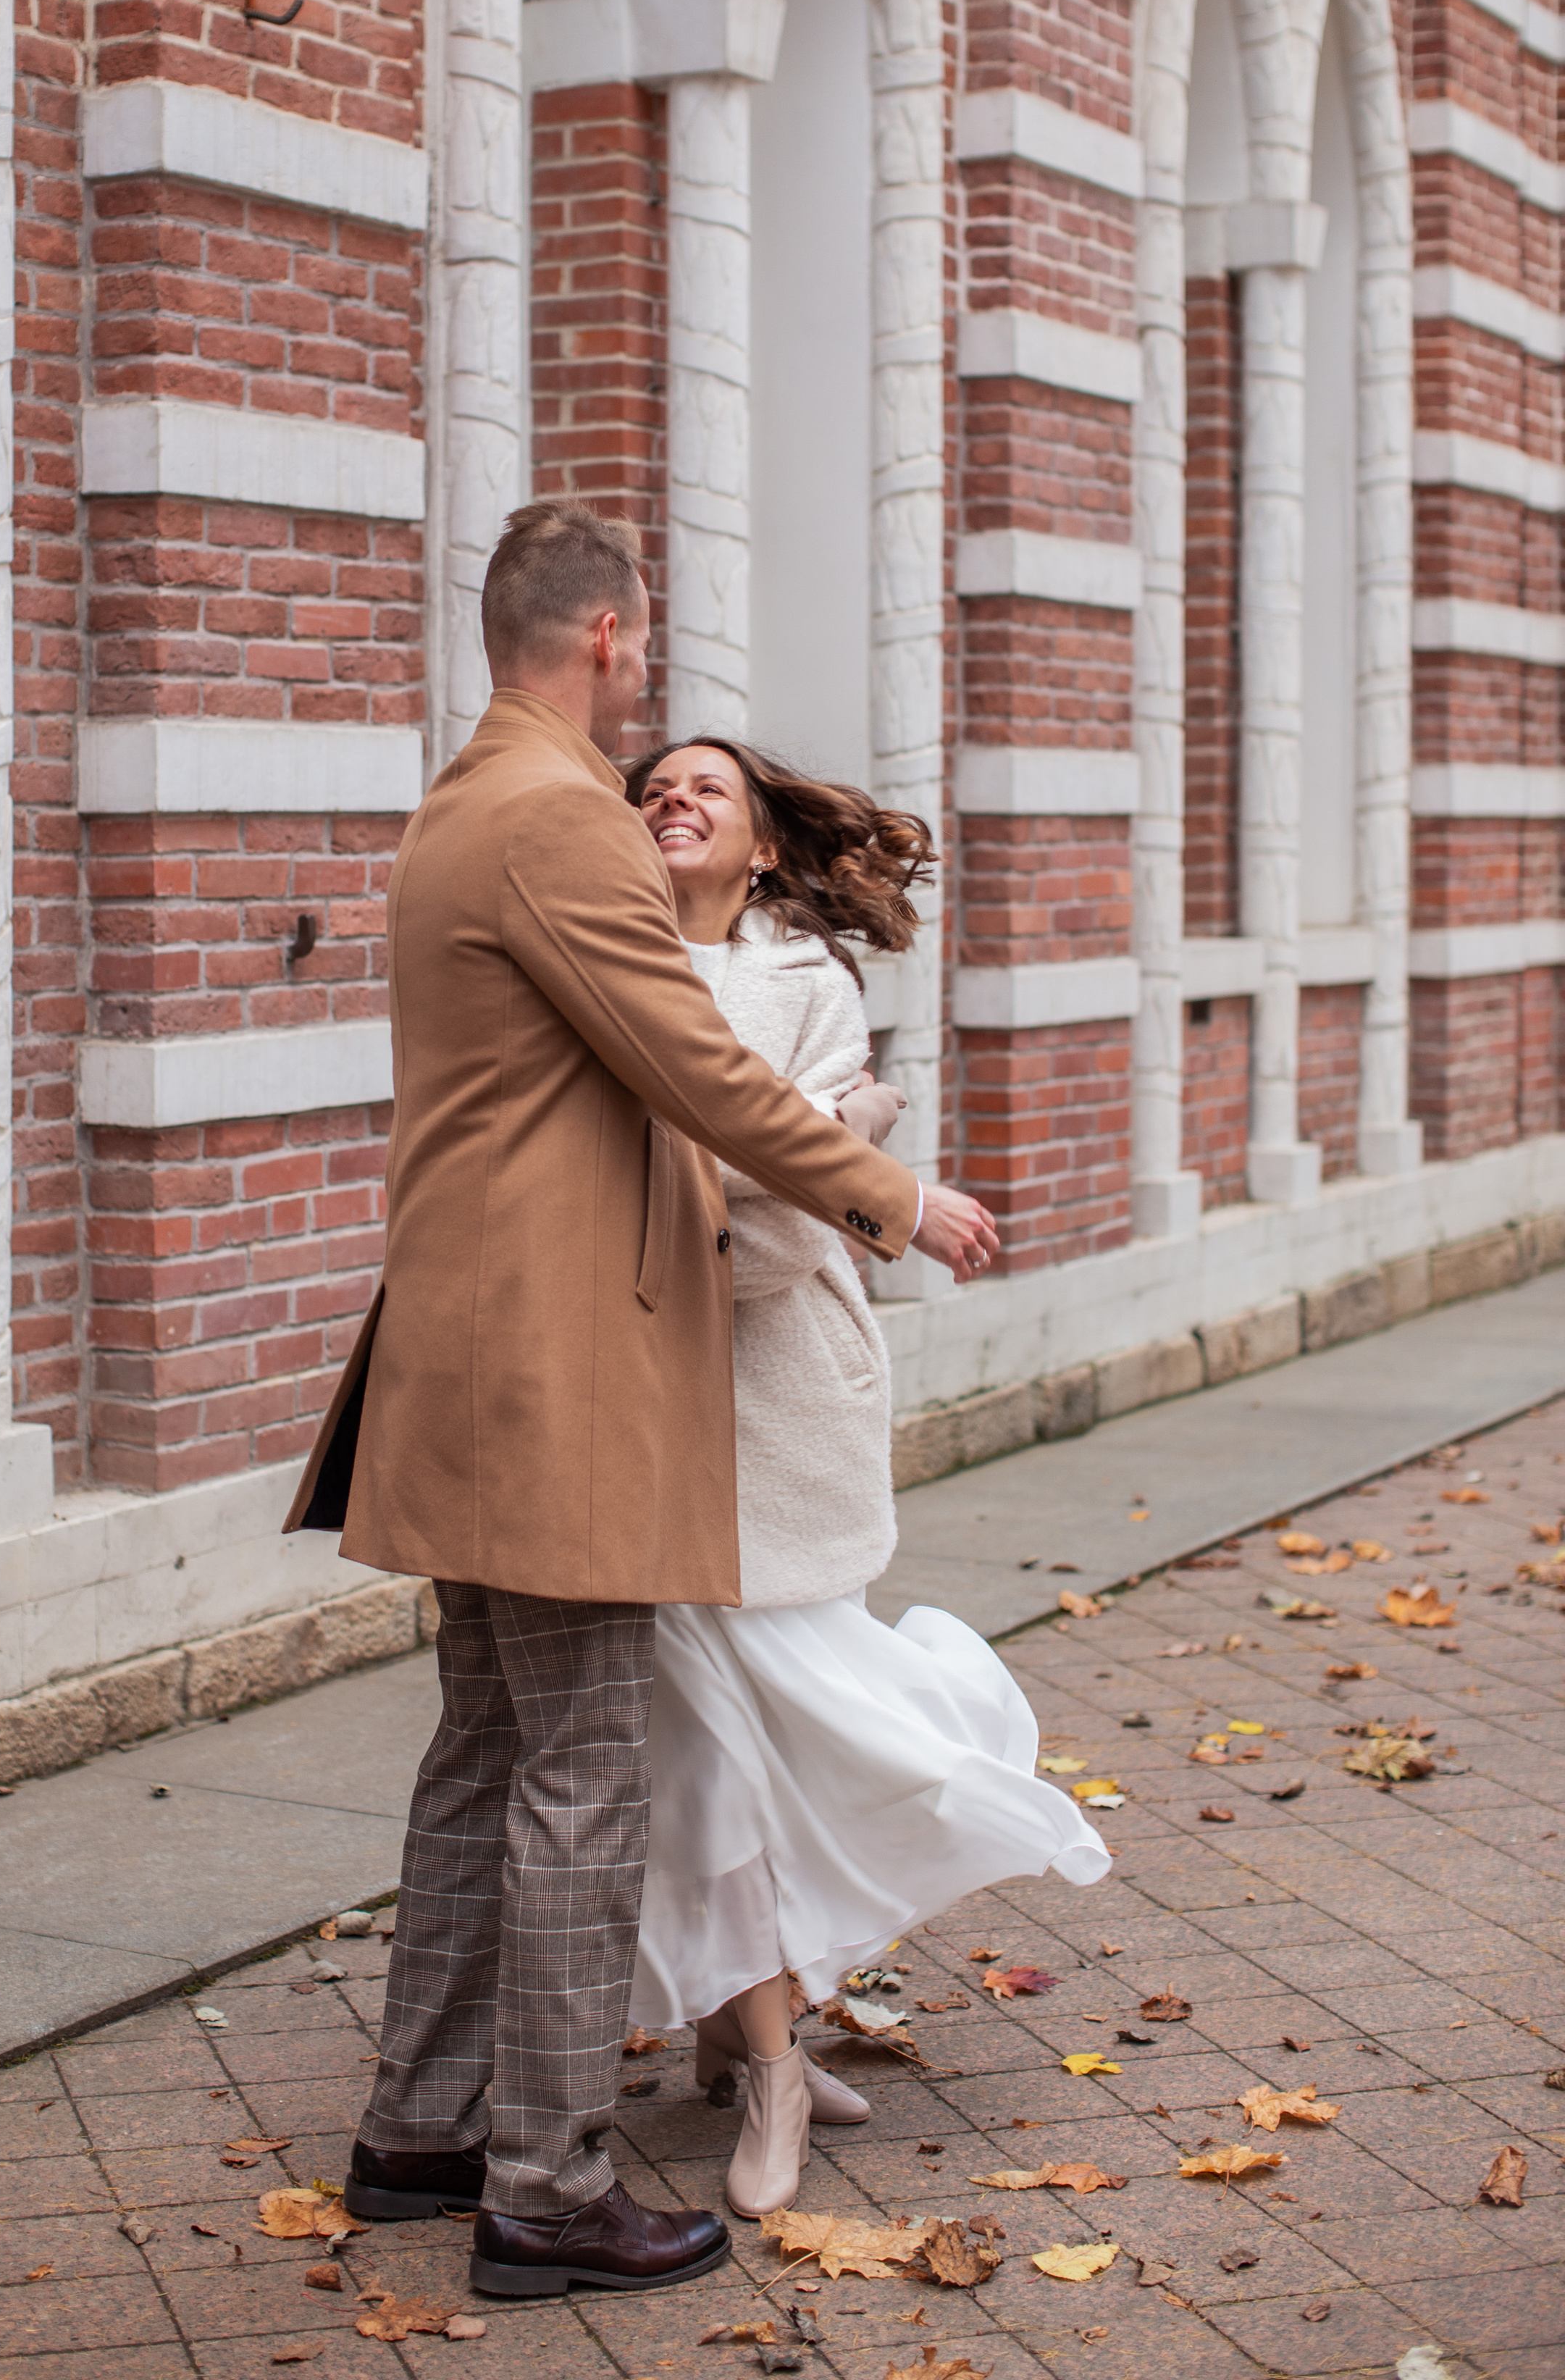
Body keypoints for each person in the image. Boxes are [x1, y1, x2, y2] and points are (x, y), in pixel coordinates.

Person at [282, 502, 1000, 2300]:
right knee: (586, 1772)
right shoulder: (559, 825)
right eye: (645, 636)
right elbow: (691, 1070)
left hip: (455, 1364)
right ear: (608, 634)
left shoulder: (457, 806)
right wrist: (888, 1196)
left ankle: (417, 2132)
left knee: (481, 1758)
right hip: (558, 1382)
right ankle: (539, 2187)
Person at [623, 736, 1110, 2221]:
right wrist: (839, 1150)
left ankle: (750, 2049)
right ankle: (757, 2053)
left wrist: (822, 1175)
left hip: (764, 1428)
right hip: (628, 1433)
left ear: (764, 847)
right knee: (696, 1759)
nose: (673, 799)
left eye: (708, 789)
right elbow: (760, 1201)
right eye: (652, 787)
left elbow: (772, 1254)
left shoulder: (807, 989)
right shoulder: (604, 962)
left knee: (777, 1741)